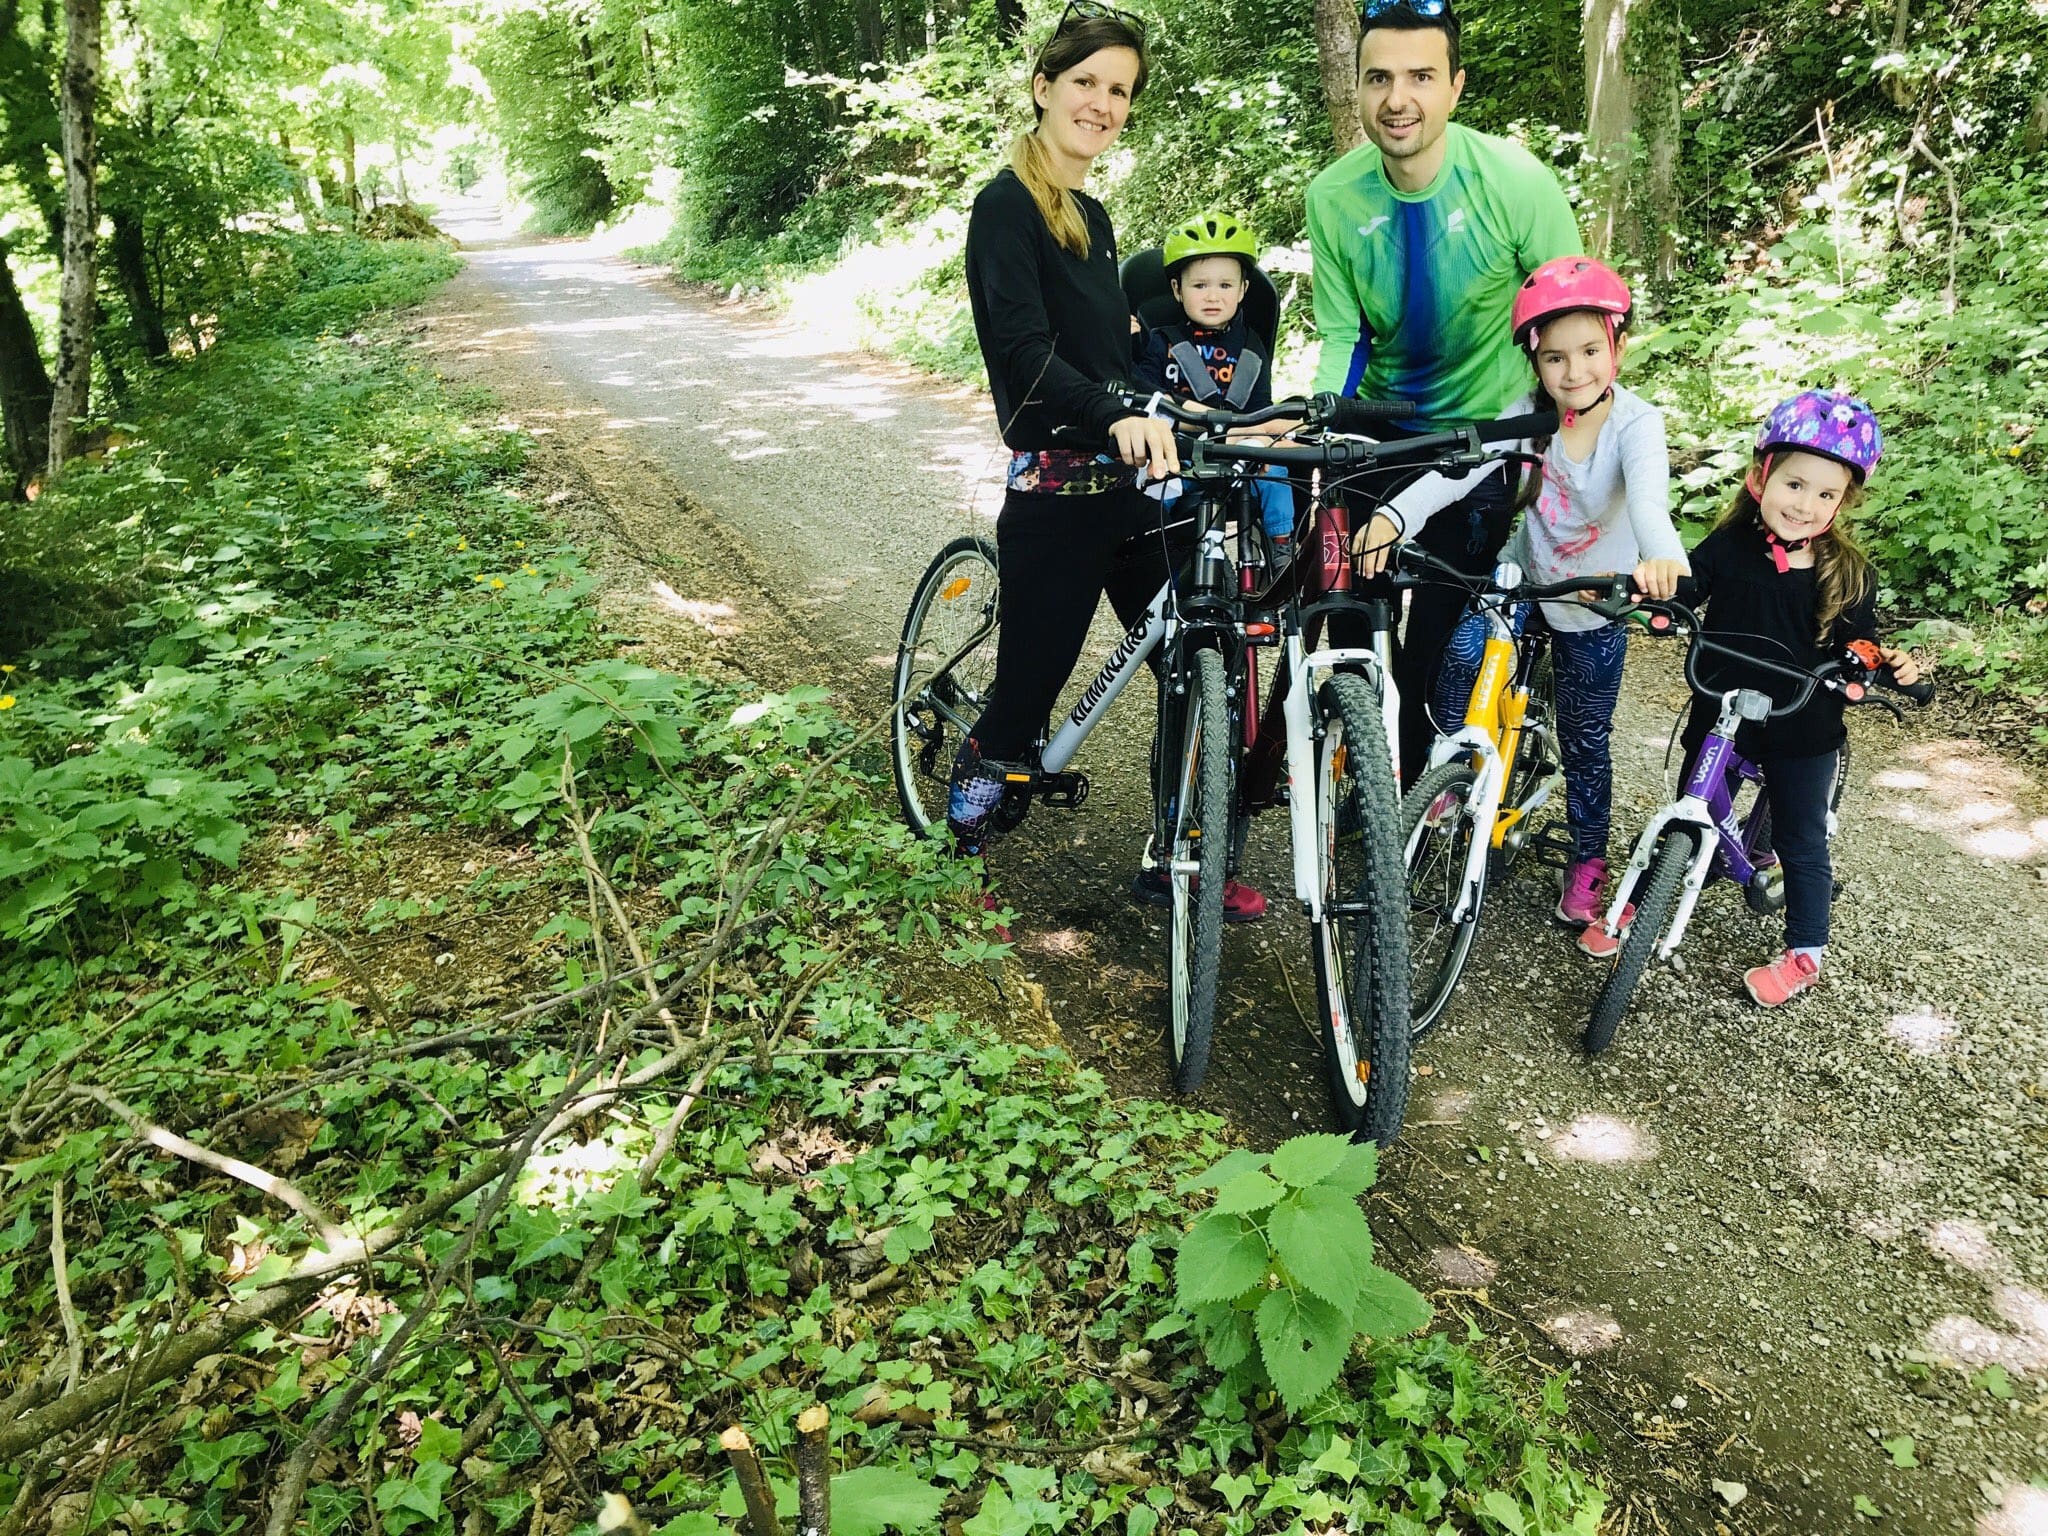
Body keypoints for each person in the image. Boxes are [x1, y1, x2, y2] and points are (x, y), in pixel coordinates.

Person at [954, 2, 1267, 922]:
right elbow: (1025, 357)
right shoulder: (1005, 206)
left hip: (1134, 490)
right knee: (1026, 700)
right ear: (1044, 87)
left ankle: (1180, 852)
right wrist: (1120, 412)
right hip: (1057, 490)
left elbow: (1115, 358)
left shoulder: (1092, 214)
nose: (1102, 102)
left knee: (1199, 658)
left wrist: (1189, 410)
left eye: (1119, 90)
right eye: (1086, 82)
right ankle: (958, 841)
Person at [1355, 256, 1688, 930]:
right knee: (1461, 653)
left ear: (1618, 347)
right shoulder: (1529, 416)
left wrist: (1663, 555)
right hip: (1524, 575)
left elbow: (1650, 502)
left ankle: (1588, 860)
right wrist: (1393, 516)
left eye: (1591, 351)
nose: (1575, 372)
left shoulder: (1636, 424)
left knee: (1586, 736)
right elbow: (1459, 468)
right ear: (1535, 362)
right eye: (1556, 357)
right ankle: (1453, 772)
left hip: (1598, 596)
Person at [1304, 0, 1582, 782]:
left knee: (1433, 650)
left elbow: (1569, 324)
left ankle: (1413, 800)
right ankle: (1359, 780)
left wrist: (1568, 440)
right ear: (1357, 89)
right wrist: (1322, 431)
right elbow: (1344, 336)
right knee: (1353, 629)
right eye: (1380, 78)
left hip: (1485, 439)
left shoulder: (1516, 180)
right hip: (1379, 433)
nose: (1399, 99)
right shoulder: (1333, 195)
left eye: (1421, 77)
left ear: (1454, 87)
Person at [1583, 391, 1921, 1006]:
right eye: (1795, 484)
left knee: (1802, 839)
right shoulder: (1729, 545)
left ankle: (1805, 952)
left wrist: (1879, 664)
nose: (1807, 504)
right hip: (1723, 711)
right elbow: (1686, 586)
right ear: (1759, 476)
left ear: (1844, 502)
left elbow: (1860, 640)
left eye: (1827, 495)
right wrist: (1651, 602)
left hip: (1803, 725)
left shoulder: (1847, 571)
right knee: (1691, 808)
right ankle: (1639, 902)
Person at [1132, 209, 1296, 552]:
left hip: (1236, 456)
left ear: (1242, 289)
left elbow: (1259, 410)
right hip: (1178, 454)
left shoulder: (1252, 350)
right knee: (1149, 491)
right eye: (1200, 285)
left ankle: (1280, 545)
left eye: (1225, 285)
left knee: (1275, 466)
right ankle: (1155, 566)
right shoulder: (1161, 341)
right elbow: (1141, 391)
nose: (1212, 296)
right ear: (1177, 289)